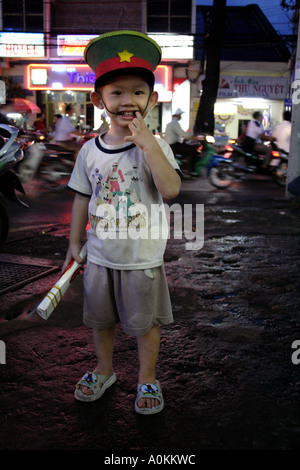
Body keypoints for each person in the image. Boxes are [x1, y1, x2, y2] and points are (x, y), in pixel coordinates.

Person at [62, 30, 181, 414]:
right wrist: (74, 244)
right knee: (102, 320)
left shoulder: (157, 145)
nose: (128, 100)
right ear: (99, 100)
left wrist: (148, 145)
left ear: (152, 99)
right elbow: (83, 196)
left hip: (142, 257)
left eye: (138, 92)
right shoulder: (88, 150)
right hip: (100, 254)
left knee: (145, 324)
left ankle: (148, 378)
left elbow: (171, 190)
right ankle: (105, 370)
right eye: (117, 92)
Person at [164, 109, 199, 174]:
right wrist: (193, 137)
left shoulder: (171, 123)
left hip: (172, 145)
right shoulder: (175, 123)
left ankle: (185, 164)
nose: (181, 117)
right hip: (174, 145)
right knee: (192, 149)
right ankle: (190, 169)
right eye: (180, 115)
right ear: (178, 116)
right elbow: (183, 134)